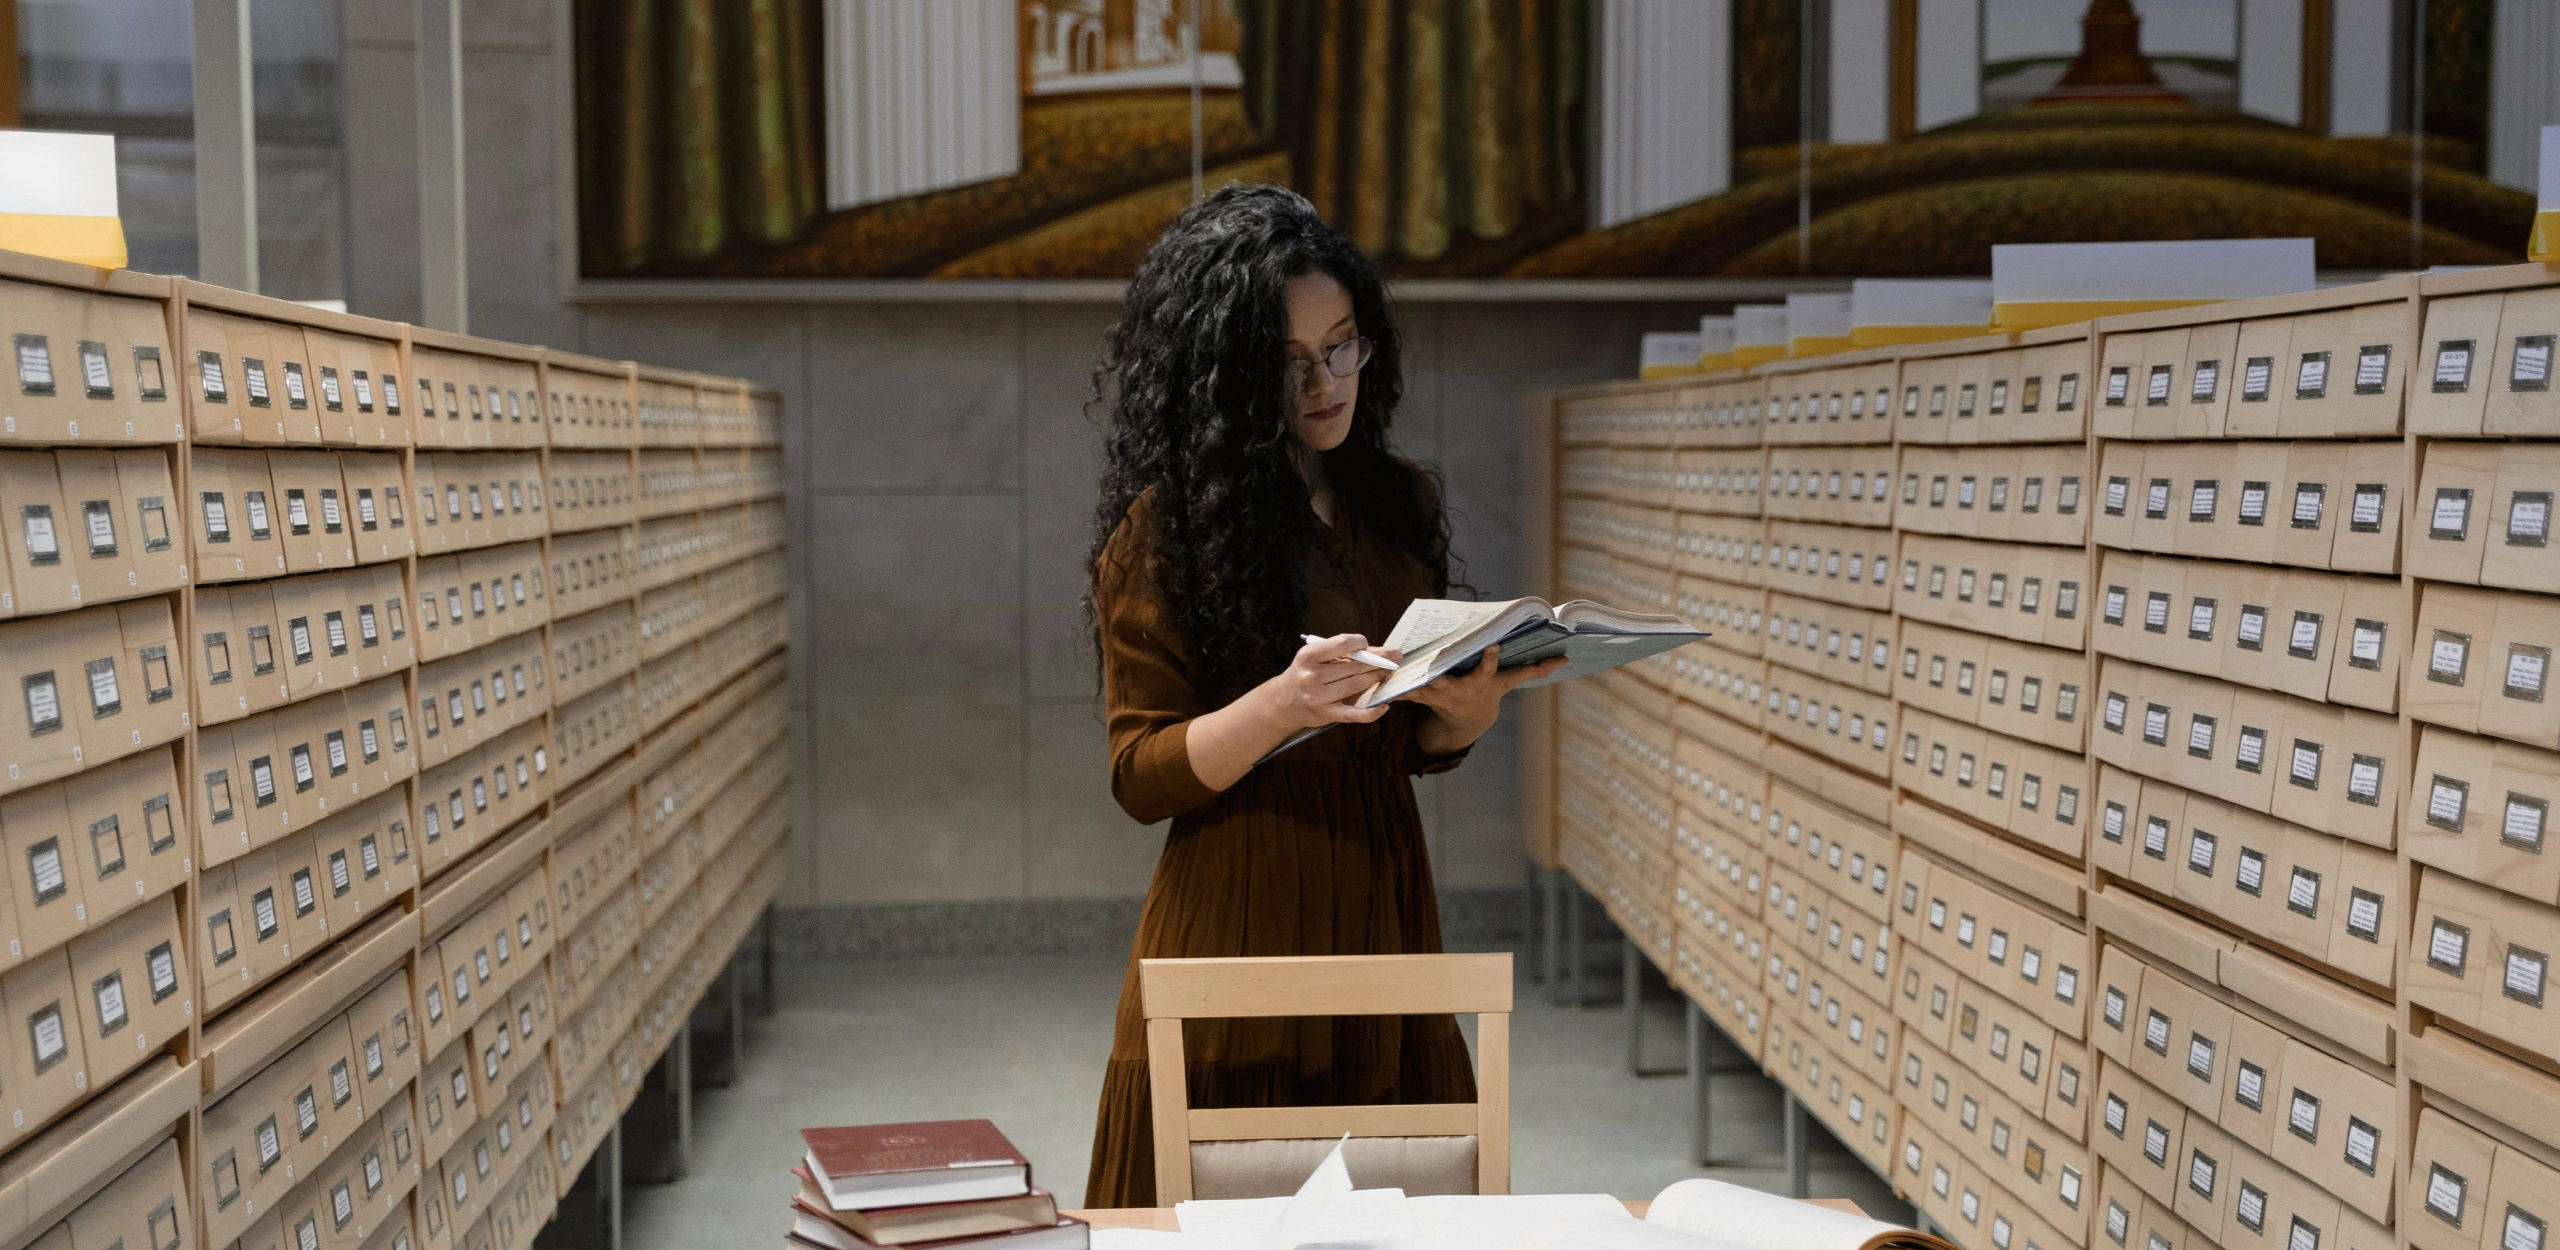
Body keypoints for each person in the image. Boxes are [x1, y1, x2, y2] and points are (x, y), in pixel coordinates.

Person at [1081, 184, 1562, 1206]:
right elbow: (1140, 774)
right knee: (1222, 1197)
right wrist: (1281, 705)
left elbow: (1399, 734)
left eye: (1342, 345)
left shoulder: (1396, 502)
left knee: (1404, 1185)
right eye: (1288, 362)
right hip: (1238, 900)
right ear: (1223, 377)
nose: (1324, 381)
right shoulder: (1161, 535)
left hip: (1382, 889)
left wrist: (1457, 726)